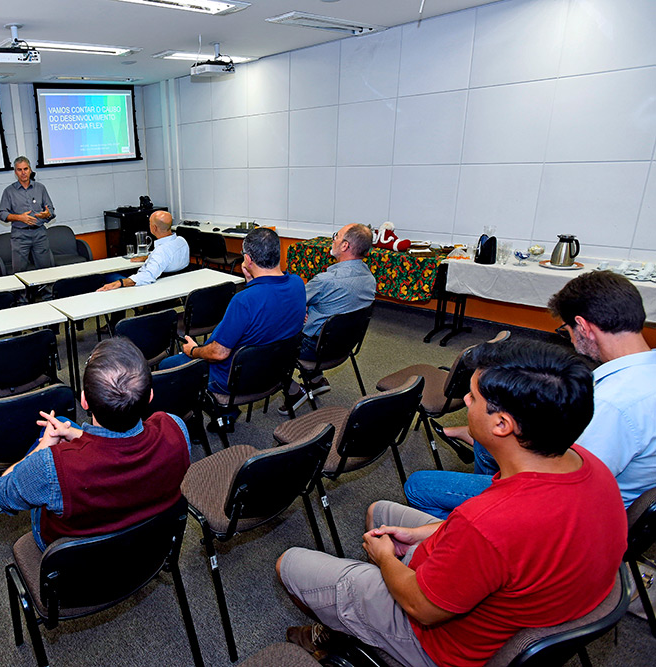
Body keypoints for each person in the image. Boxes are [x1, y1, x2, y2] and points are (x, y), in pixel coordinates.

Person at [277, 339, 627, 666]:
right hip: (496, 592)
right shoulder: (585, 464)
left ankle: (346, 636)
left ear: (503, 424)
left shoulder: (488, 524)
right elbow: (499, 543)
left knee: (288, 563)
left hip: (438, 638)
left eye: (472, 397)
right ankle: (359, 617)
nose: (467, 403)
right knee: (379, 511)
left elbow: (422, 607)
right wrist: (428, 535)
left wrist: (384, 559)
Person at [405, 271, 656, 517]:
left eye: (566, 329)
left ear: (583, 326)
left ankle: (480, 526)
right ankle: (483, 489)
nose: (568, 337)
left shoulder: (614, 404)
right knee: (486, 436)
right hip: (593, 483)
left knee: (419, 486)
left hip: (565, 505)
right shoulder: (642, 374)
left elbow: (558, 481)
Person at [0, 338, 191, 551]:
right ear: (150, 396)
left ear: (84, 401)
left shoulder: (50, 467)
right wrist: (75, 433)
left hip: (79, 562)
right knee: (65, 427)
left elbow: (0, 496)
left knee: (45, 442)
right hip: (147, 545)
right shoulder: (176, 428)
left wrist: (45, 446)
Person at [159, 227, 305, 428]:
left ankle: (192, 425)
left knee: (167, 366)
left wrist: (193, 350)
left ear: (248, 260)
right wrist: (252, 282)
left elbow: (218, 353)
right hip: (274, 371)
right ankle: (226, 413)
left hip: (233, 381)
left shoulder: (244, 300)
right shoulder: (297, 284)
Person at [280, 223, 376, 413]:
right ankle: (315, 379)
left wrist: (303, 309)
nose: (333, 240)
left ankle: (293, 391)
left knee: (267, 342)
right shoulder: (370, 278)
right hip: (344, 345)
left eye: (337, 236)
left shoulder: (326, 280)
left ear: (345, 246)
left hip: (314, 350)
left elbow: (291, 305)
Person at [97, 211, 189, 291]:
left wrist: (120, 283)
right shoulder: (181, 241)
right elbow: (169, 257)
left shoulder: (161, 251)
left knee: (107, 276)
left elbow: (148, 276)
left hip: (147, 285)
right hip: (173, 282)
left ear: (154, 228)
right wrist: (150, 256)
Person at [0, 156, 56, 273]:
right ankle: (23, 292)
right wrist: (19, 217)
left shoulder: (40, 188)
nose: (23, 173)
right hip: (20, 235)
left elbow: (51, 210)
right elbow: (2, 214)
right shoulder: (9, 191)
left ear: (30, 170)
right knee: (20, 271)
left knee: (46, 270)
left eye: (25, 169)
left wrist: (46, 214)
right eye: (20, 170)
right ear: (15, 172)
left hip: (40, 233)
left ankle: (46, 291)